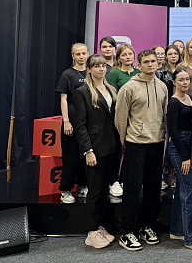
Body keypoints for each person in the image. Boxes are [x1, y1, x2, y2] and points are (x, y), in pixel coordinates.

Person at [114, 49, 168, 251]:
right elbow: (120, 118)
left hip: (156, 143)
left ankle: (147, 226)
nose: (150, 64)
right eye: (146, 62)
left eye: (153, 61)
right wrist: (123, 142)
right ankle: (127, 231)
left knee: (153, 190)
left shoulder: (162, 86)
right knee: (132, 189)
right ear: (139, 64)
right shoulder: (128, 88)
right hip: (135, 144)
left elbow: (164, 115)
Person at [72, 54, 120, 248]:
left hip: (112, 147)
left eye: (103, 66)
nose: (101, 69)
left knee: (104, 191)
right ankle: (91, 232)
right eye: (97, 66)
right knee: (94, 191)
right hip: (95, 148)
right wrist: (88, 150)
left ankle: (100, 226)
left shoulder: (112, 88)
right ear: (89, 69)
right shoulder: (82, 92)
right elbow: (80, 125)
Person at [166, 69, 192, 251]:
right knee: (190, 190)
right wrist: (184, 157)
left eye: (187, 79)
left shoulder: (190, 99)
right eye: (181, 80)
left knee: (182, 189)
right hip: (179, 149)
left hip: (191, 145)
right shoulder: (173, 102)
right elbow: (173, 132)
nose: (185, 82)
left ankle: (177, 230)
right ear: (174, 82)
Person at [56, 42, 89, 204]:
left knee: (86, 155)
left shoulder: (92, 72)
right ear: (73, 56)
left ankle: (83, 185)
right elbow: (63, 99)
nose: (81, 57)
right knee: (70, 157)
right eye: (78, 54)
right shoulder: (67, 74)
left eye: (84, 53)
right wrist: (66, 121)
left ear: (88, 54)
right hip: (72, 120)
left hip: (88, 122)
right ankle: (66, 190)